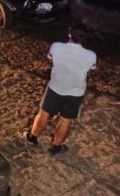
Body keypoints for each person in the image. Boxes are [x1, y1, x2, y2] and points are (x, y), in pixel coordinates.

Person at [22, 24, 97, 154]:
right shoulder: (91, 55)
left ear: (69, 34)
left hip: (55, 87)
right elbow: (92, 69)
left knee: (44, 113)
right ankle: (56, 147)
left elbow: (50, 58)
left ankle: (32, 137)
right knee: (66, 120)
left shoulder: (56, 46)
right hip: (75, 92)